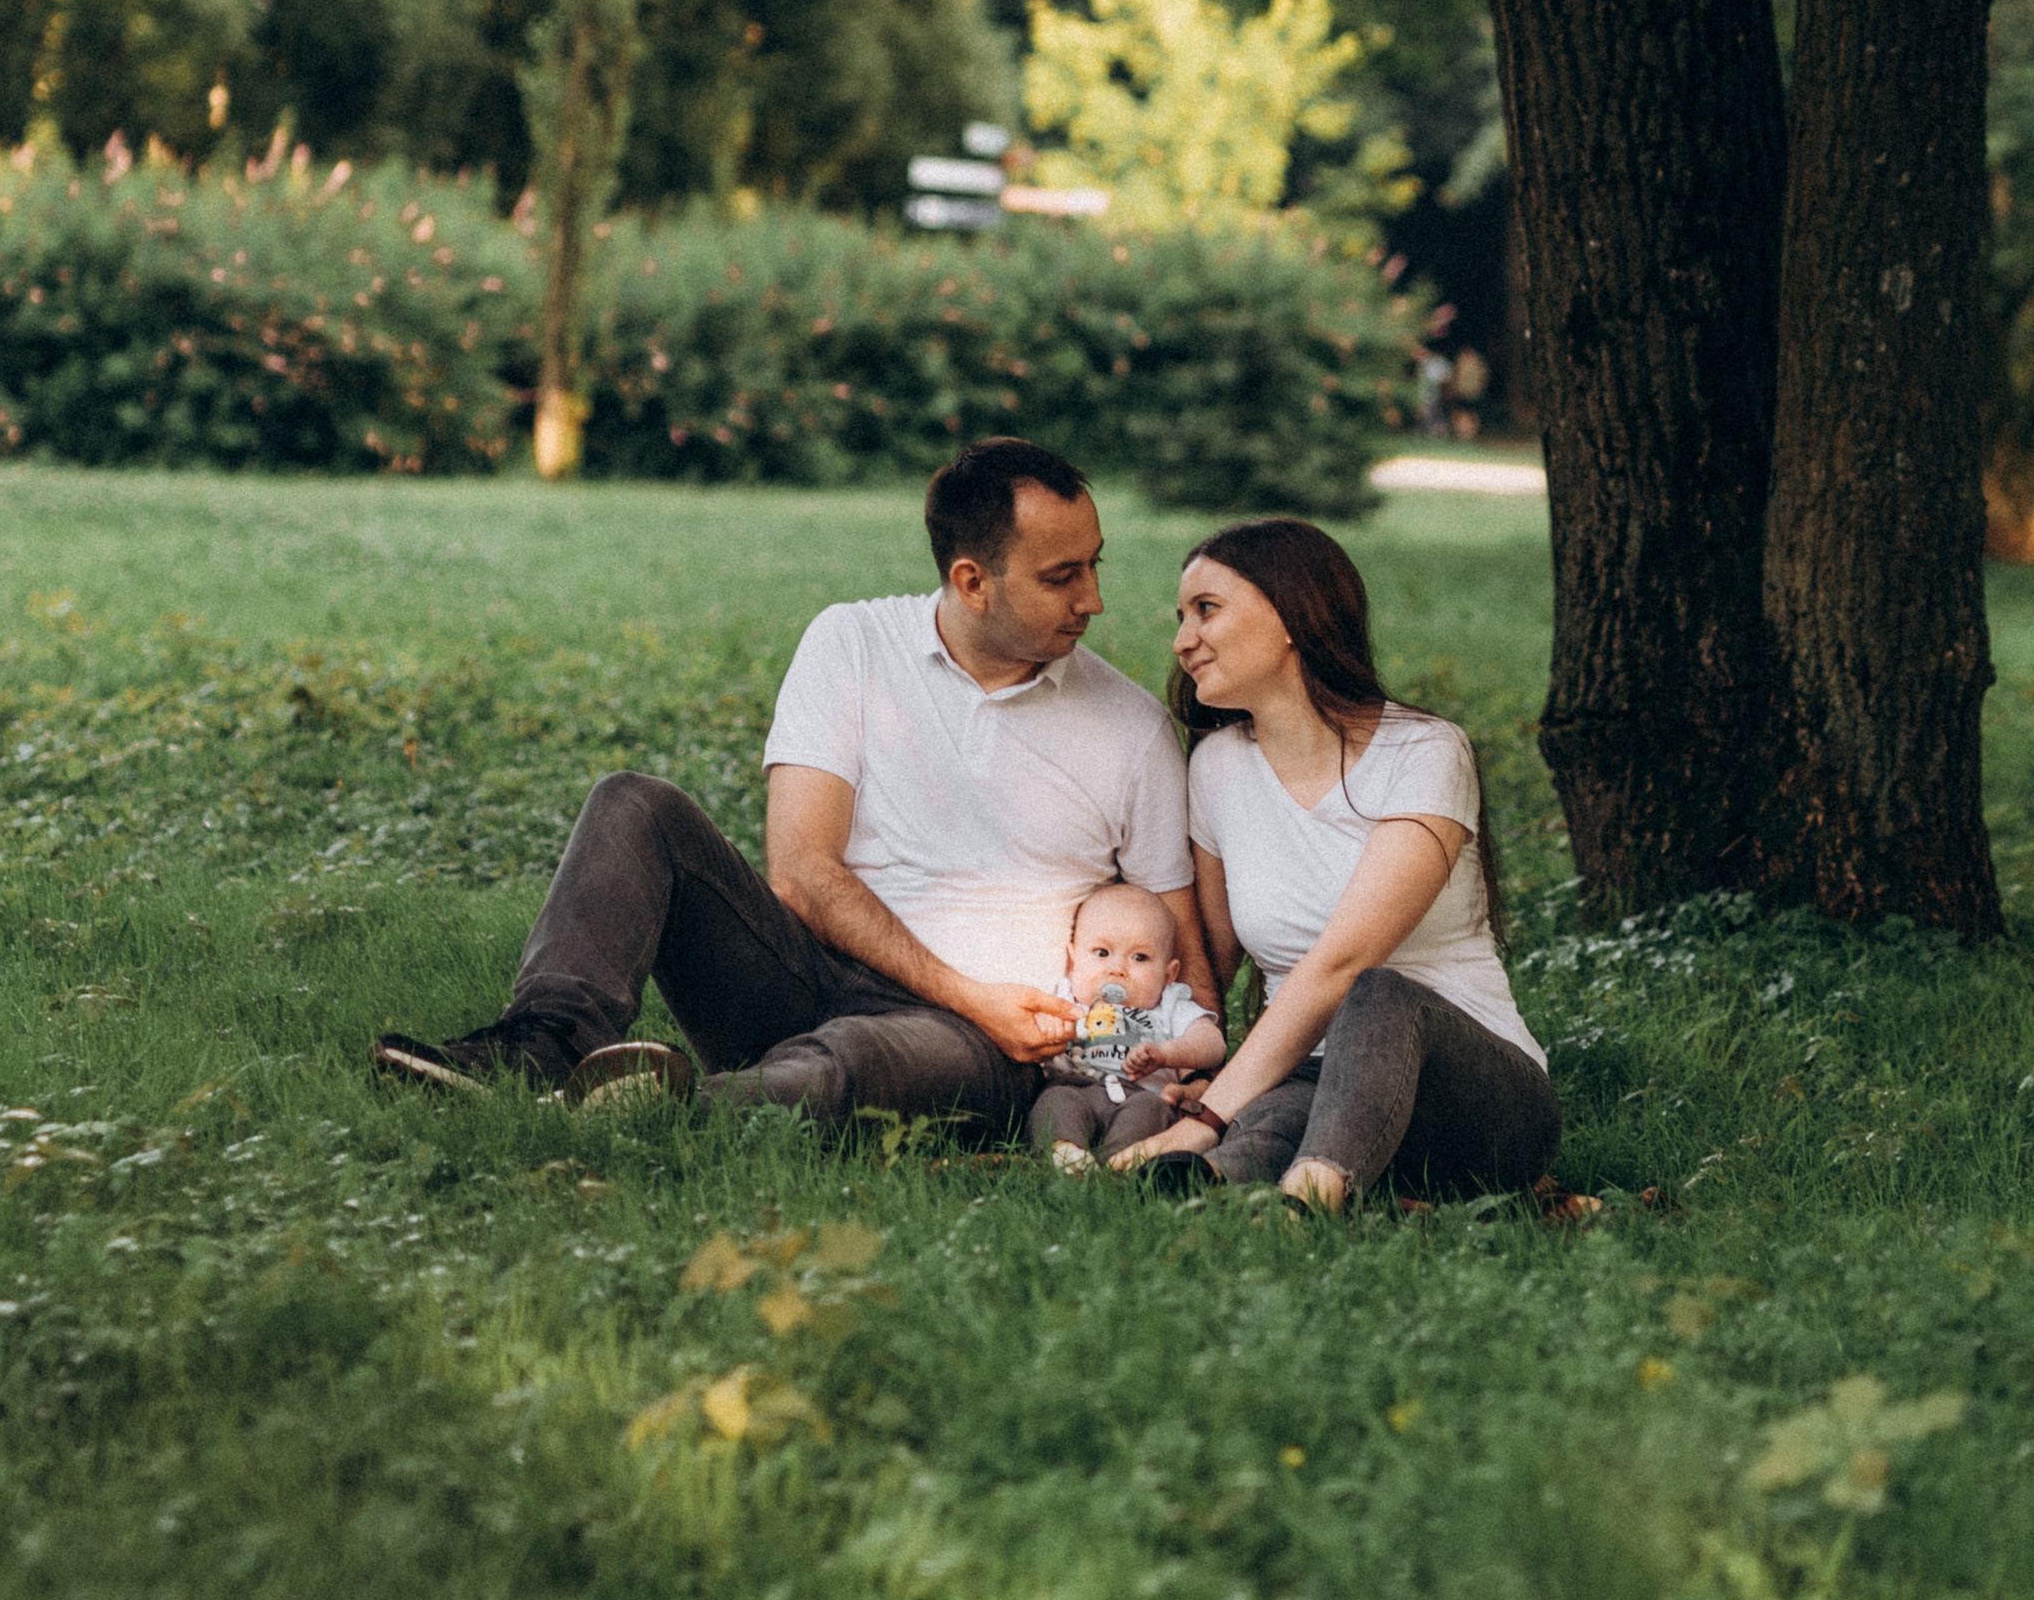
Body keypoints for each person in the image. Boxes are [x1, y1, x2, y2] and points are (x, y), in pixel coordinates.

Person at [371, 437, 1209, 1140]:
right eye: (1062, 577)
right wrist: (968, 993)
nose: (1093, 600)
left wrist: (1189, 1072)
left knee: (855, 1059)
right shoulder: (852, 643)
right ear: (970, 581)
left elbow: (1182, 953)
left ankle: (655, 1114)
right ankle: (541, 1047)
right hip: (811, 973)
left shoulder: (1129, 730)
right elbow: (803, 874)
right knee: (634, 804)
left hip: (980, 1046)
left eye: (1094, 566)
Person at [1116, 517, 1559, 1210]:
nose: (1182, 642)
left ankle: (1313, 1194)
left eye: (1206, 610)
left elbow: (1341, 964)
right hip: (1316, 1081)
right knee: (1272, 1117)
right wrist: (1188, 1065)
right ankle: (1211, 1187)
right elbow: (1215, 965)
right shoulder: (1217, 768)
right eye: (1181, 617)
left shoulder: (1424, 753)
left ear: (1294, 613)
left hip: (1479, 1107)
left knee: (1374, 989)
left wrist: (1204, 1119)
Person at [1026, 882, 1225, 1169]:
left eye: (1139, 957)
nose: (1117, 968)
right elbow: (1035, 1031)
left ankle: (1120, 1163)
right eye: (1102, 952)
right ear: (1072, 961)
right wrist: (1047, 1028)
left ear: (1169, 974)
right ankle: (1065, 1152)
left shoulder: (1169, 1004)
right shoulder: (1067, 999)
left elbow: (1212, 1044)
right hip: (1077, 1087)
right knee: (1055, 1101)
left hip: (1141, 1095)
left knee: (1153, 1110)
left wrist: (1168, 1053)